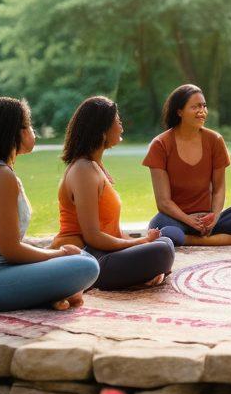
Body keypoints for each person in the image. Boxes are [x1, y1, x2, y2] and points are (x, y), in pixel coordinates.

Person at [0, 98, 99, 312]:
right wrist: (60, 254)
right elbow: (11, 250)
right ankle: (53, 293)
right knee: (86, 265)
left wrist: (54, 254)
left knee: (81, 258)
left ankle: (51, 295)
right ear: (15, 133)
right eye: (28, 125)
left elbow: (9, 246)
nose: (32, 131)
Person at [52, 96, 175, 290]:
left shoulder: (94, 167)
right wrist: (142, 242)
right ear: (102, 131)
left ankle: (146, 271)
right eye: (118, 122)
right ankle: (144, 271)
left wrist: (140, 244)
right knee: (162, 250)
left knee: (164, 242)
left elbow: (112, 231)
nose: (121, 127)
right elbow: (93, 237)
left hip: (103, 252)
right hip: (87, 258)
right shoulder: (83, 170)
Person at [144, 84, 231, 246]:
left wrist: (214, 218)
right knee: (168, 233)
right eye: (194, 107)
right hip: (175, 218)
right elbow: (163, 202)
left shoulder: (215, 140)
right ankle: (222, 239)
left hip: (207, 218)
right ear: (179, 111)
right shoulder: (160, 144)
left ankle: (196, 238)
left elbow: (218, 189)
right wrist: (189, 220)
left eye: (203, 106)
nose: (201, 111)